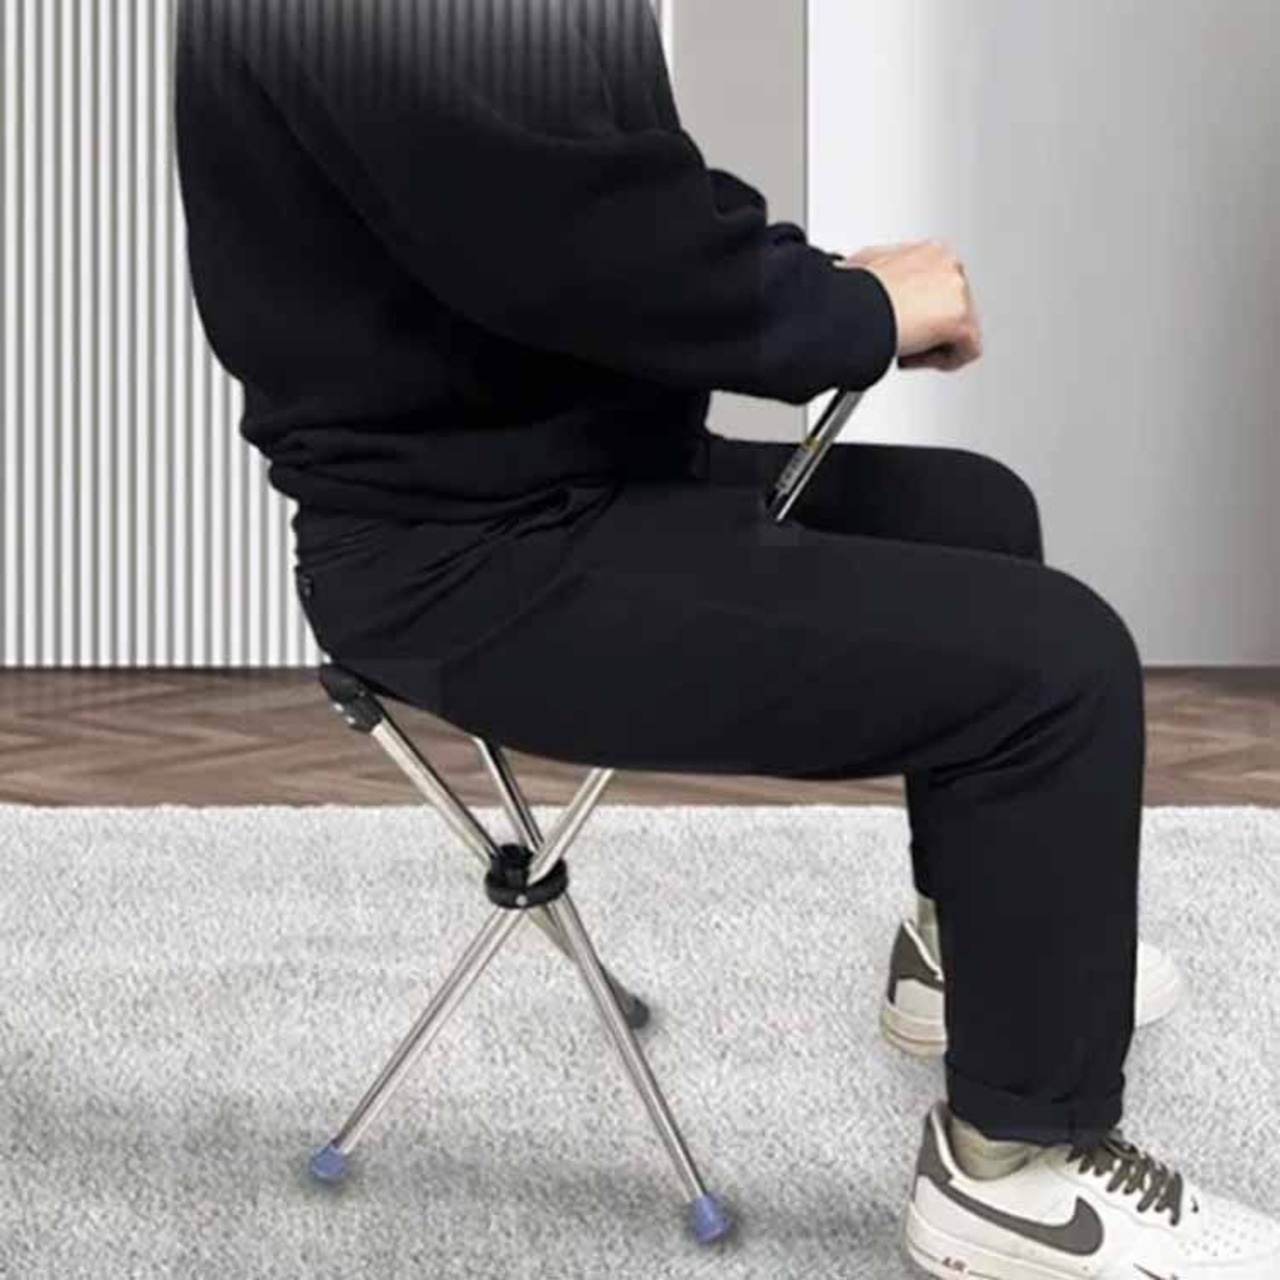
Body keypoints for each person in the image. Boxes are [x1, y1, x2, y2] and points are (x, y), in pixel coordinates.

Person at [174, 1, 1279, 1274]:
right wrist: (851, 312)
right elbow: (569, 242)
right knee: (1058, 668)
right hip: (468, 557)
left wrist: (829, 287)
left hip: (575, 473)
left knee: (977, 517)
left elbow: (626, 187)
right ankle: (1014, 1177)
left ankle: (973, 965)